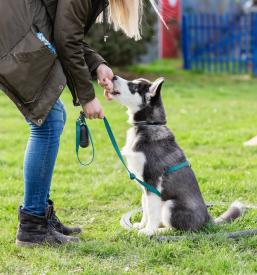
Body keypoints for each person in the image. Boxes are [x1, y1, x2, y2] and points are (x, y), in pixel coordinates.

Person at [0, 0, 145, 246]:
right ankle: (33, 225)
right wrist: (87, 98)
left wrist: (97, 64)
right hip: (15, 33)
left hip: (22, 29)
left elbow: (64, 31)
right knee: (48, 122)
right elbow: (66, 39)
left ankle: (40, 216)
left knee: (52, 118)